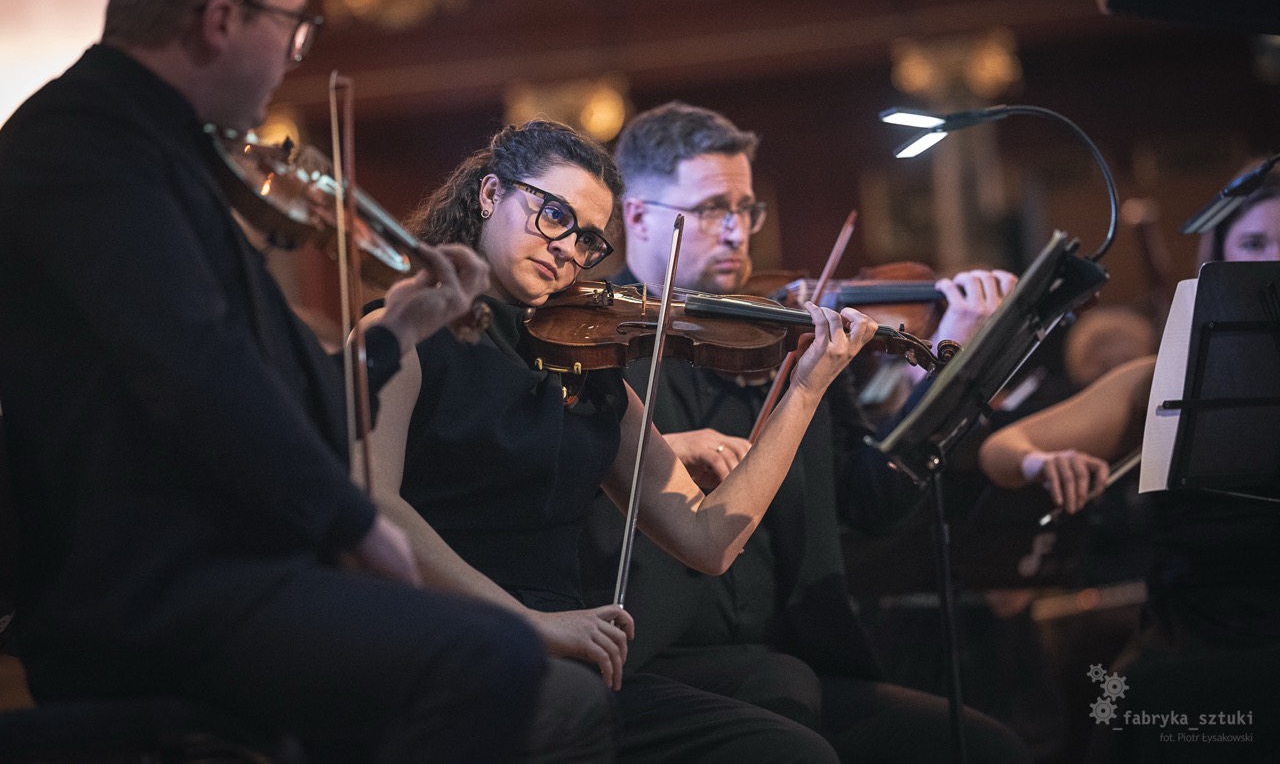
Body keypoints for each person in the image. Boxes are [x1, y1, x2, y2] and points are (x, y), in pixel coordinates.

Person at [0, 0, 602, 761]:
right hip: (144, 587)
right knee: (490, 656)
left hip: (223, 566)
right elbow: (199, 371)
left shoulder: (167, 152)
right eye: (293, 24)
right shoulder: (80, 144)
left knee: (505, 668)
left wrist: (397, 330)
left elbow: (279, 385)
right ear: (221, 20)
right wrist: (354, 522)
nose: (296, 53)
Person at [358, 117, 880, 763]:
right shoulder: (401, 333)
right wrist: (533, 624)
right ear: (491, 194)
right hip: (451, 644)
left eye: (586, 239)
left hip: (570, 654)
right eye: (553, 215)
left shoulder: (588, 368)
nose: (566, 249)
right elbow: (373, 505)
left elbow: (708, 539)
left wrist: (804, 390)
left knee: (790, 751)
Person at [578, 100, 1032, 762]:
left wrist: (950, 366)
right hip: (660, 663)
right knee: (785, 700)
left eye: (747, 209)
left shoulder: (792, 335)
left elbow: (873, 500)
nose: (736, 231)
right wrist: (668, 450)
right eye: (712, 209)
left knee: (989, 749)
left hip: (796, 653)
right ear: (641, 216)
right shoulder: (593, 346)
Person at [978, 180, 1280, 761]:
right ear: (1217, 257)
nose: (1273, 260)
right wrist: (1042, 461)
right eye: (1254, 243)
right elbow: (1002, 449)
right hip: (1197, 645)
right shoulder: (1158, 378)